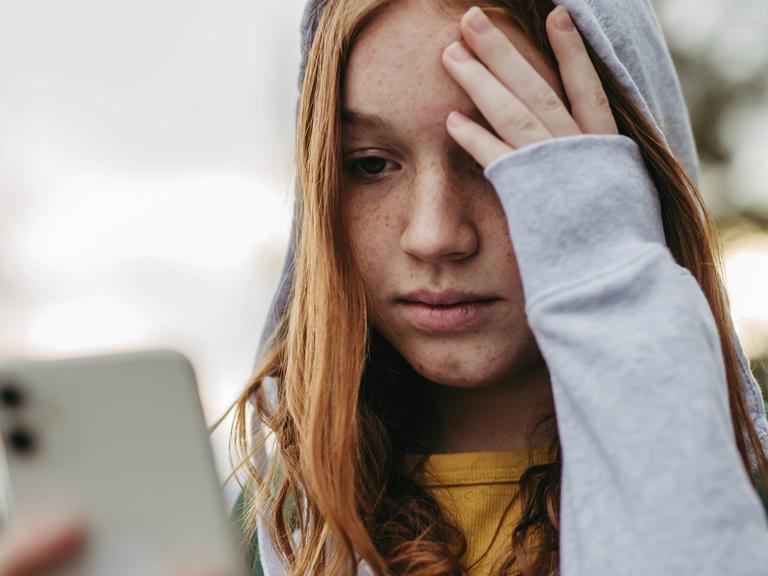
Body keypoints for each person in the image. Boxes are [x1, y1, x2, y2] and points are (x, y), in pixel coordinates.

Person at [6, 1, 768, 576]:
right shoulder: (261, 532)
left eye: (505, 155)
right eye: (370, 164)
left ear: (621, 181)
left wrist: (603, 268)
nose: (434, 234)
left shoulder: (748, 504)